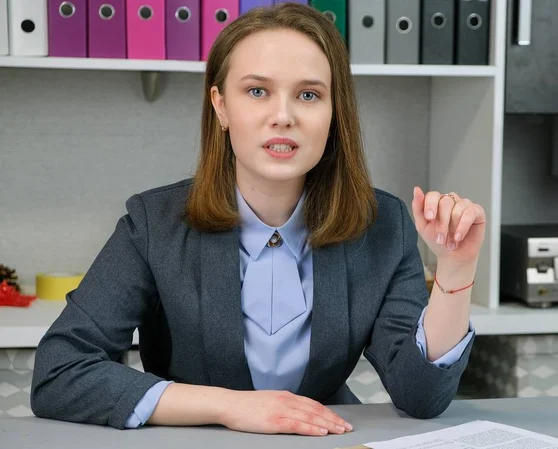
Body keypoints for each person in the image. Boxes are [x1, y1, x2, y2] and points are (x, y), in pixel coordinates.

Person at [30, 2, 486, 438]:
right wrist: (228, 406)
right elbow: (60, 370)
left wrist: (456, 268)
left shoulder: (382, 223)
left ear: (334, 113)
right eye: (257, 91)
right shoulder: (153, 223)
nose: (282, 117)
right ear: (221, 106)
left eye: (309, 95)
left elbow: (422, 395)